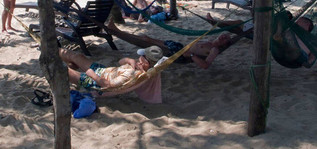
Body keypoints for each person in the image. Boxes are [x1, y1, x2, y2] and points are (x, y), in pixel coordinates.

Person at [106, 19, 237, 69]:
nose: (224, 36)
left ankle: (116, 32)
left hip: (179, 54)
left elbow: (206, 65)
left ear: (224, 44)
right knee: (146, 38)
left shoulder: (214, 50)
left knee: (146, 42)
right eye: (225, 34)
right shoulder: (208, 40)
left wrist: (191, 55)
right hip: (178, 46)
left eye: (226, 38)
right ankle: (117, 31)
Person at [59, 46, 167, 103]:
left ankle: (49, 54)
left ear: (146, 62)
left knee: (63, 70)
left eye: (142, 56)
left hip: (95, 81)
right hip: (103, 71)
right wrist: (129, 60)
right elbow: (120, 62)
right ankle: (51, 48)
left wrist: (91, 74)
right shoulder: (140, 64)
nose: (139, 56)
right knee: (78, 56)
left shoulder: (131, 75)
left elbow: (108, 85)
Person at [207, 12, 315, 68]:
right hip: (275, 44)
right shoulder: (291, 31)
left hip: (298, 55)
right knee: (240, 23)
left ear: (307, 24)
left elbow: (314, 53)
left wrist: (308, 62)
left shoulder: (311, 39)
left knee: (289, 43)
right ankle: (216, 22)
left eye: (298, 21)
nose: (295, 23)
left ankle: (278, 38)